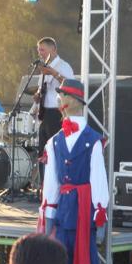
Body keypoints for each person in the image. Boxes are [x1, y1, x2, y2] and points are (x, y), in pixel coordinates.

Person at [38, 78, 109, 264]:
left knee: (86, 256)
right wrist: (49, 212)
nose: (60, 99)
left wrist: (100, 211)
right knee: (59, 259)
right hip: (64, 211)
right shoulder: (55, 141)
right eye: (60, 95)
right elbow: (52, 181)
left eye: (64, 95)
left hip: (83, 210)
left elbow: (98, 177)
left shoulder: (93, 140)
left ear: (75, 101)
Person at [32, 37, 74, 182]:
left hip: (57, 113)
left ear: (53, 49)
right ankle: (44, 185)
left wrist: (54, 73)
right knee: (42, 151)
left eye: (42, 50)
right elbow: (42, 89)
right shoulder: (44, 68)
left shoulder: (63, 66)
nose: (40, 53)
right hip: (44, 113)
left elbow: (70, 86)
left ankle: (58, 183)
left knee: (56, 151)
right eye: (39, 50)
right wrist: (38, 95)